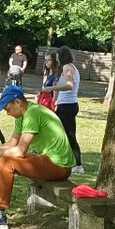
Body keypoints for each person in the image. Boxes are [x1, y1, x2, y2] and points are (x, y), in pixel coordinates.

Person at [0, 85, 74, 229]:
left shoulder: (32, 114)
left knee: (7, 163)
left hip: (59, 166)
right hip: (47, 160)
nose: (8, 114)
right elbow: (12, 143)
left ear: (18, 102)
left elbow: (20, 151)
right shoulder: (23, 115)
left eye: (8, 109)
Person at [40, 46, 83, 174]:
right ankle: (60, 159)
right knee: (57, 131)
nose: (56, 58)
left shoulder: (67, 67)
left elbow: (70, 86)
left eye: (58, 56)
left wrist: (53, 88)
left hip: (68, 106)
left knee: (69, 135)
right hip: (67, 105)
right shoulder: (72, 68)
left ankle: (78, 165)